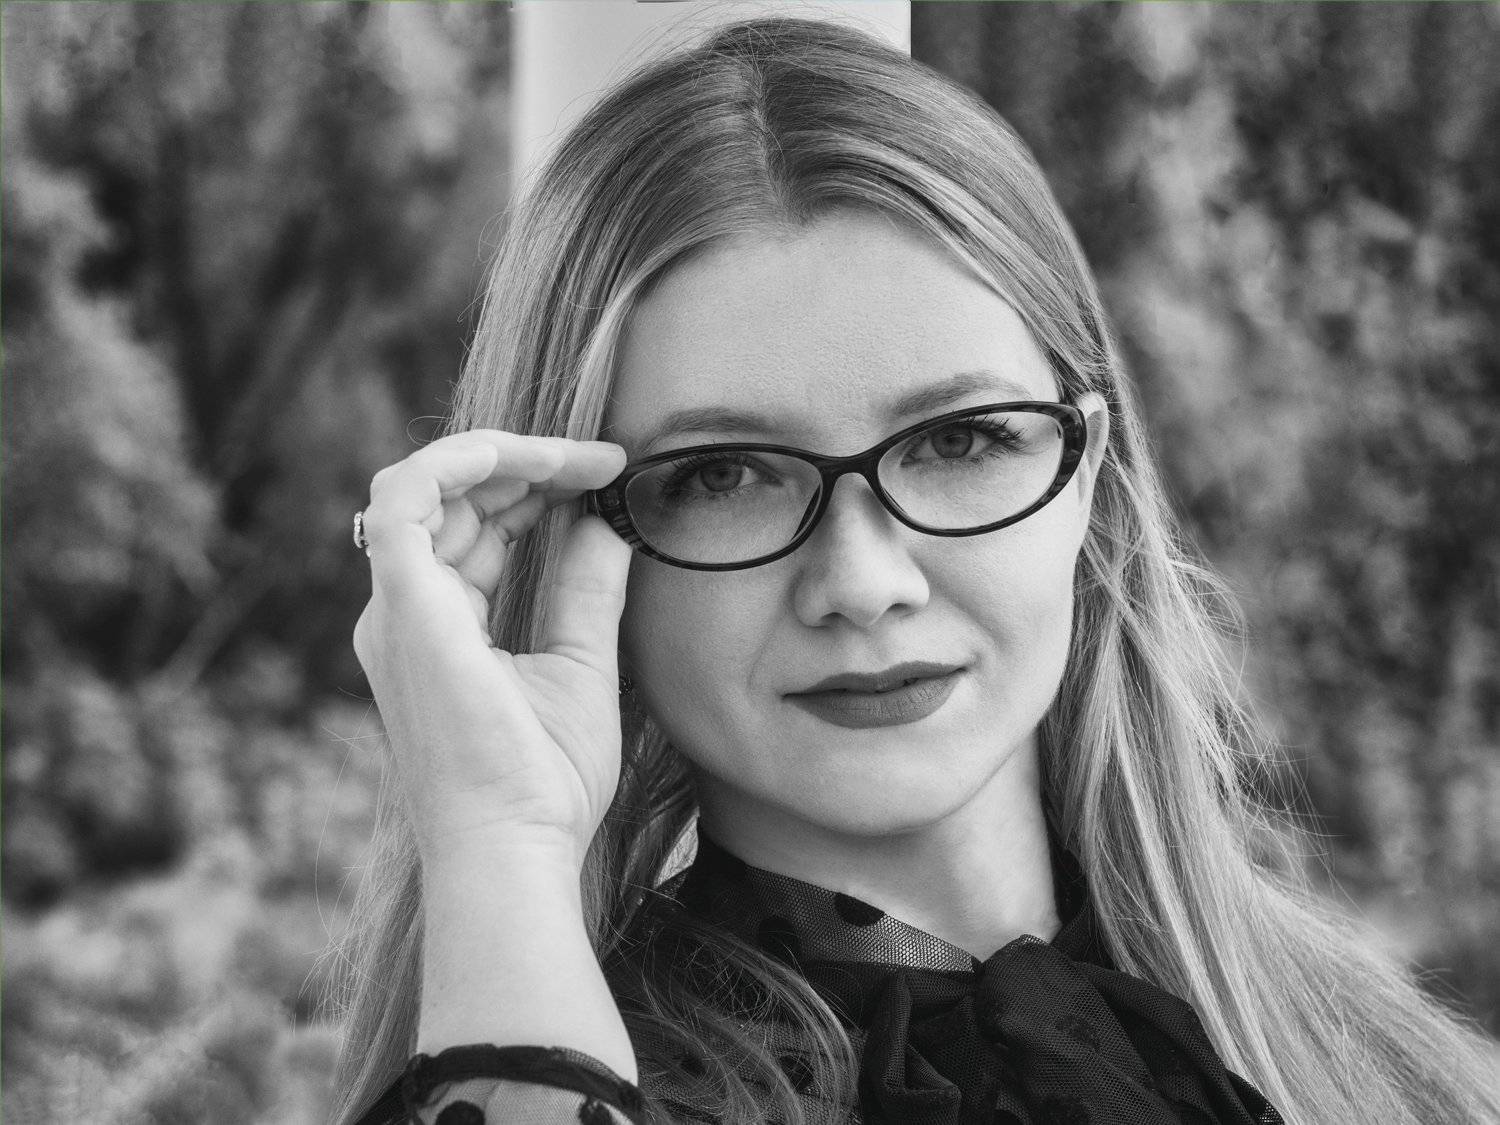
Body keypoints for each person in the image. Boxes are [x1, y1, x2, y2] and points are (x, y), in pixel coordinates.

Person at [328, 16, 1500, 1125]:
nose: (864, 581)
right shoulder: (533, 1065)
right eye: (724, 474)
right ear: (581, 535)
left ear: (1088, 478)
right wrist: (501, 843)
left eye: (960, 443)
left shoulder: (1402, 1076)